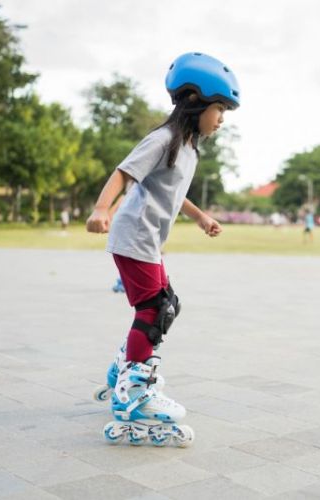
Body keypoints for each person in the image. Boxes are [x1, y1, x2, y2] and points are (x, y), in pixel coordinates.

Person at [86, 52, 239, 447]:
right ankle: (135, 392)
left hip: (148, 241)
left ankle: (125, 367)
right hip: (133, 237)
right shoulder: (163, 139)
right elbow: (124, 172)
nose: (221, 118)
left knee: (167, 304)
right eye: (219, 109)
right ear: (194, 102)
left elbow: (175, 193)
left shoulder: (188, 148)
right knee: (153, 311)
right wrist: (101, 208)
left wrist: (201, 217)